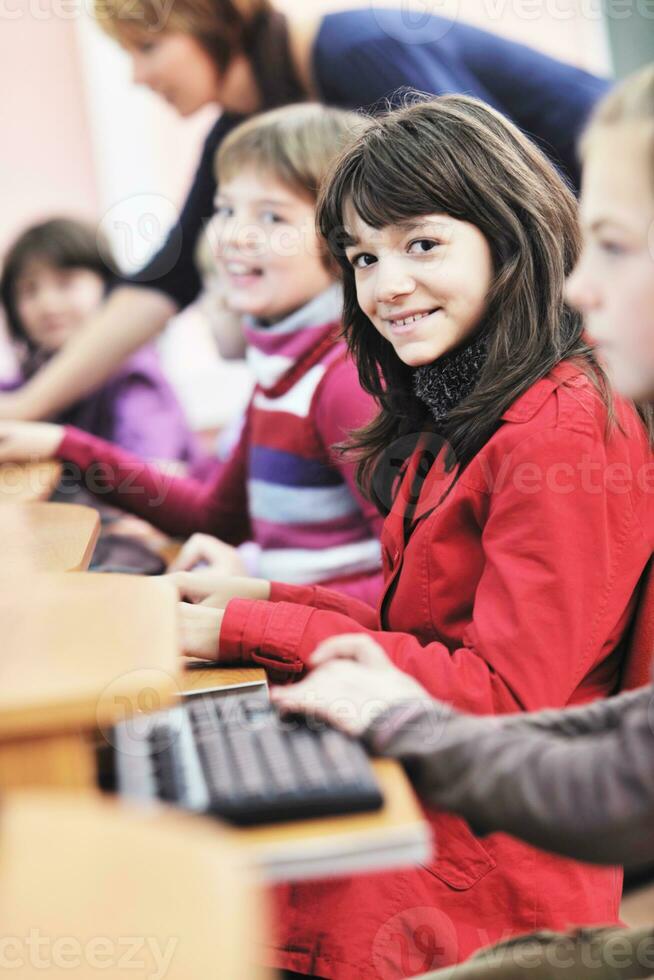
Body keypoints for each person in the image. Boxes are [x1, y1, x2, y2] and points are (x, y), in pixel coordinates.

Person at [165, 95, 653, 978]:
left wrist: (250, 630)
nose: (386, 284)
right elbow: (425, 634)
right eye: (363, 256)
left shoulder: (563, 427)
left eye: (422, 244)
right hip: (436, 819)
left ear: (512, 239)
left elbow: (508, 700)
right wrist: (267, 599)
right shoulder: (463, 402)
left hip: (487, 873)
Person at [0, 0, 610, 424]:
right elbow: (165, 279)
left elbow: (500, 188)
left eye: (150, 47)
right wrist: (26, 407)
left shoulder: (357, 51)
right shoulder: (252, 125)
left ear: (214, 20)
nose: (139, 75)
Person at [0, 105, 384, 600]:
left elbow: (414, 586)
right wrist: (61, 445)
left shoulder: (345, 381)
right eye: (225, 210)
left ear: (346, 238)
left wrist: (260, 592)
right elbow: (213, 516)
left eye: (271, 216)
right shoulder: (284, 377)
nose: (233, 235)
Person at [0, 217, 196, 461]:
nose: (47, 304)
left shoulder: (134, 378)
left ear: (111, 289)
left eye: (65, 283)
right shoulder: (28, 380)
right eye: (29, 290)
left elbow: (154, 474)